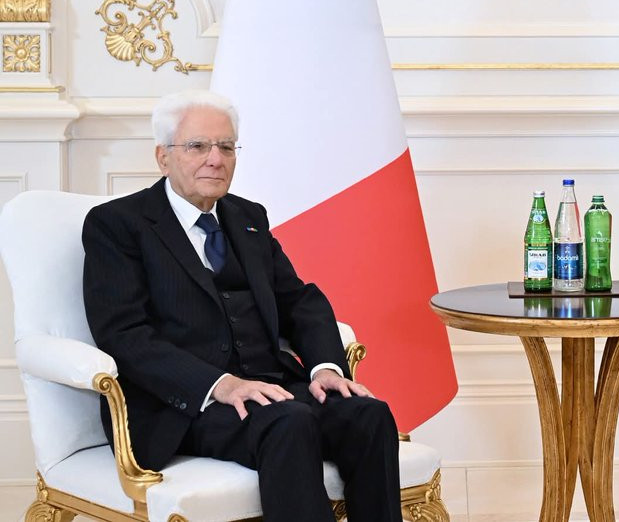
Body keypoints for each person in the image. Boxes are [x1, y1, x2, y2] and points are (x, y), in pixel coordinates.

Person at [82, 90, 400, 522]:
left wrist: (325, 369)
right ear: (163, 157)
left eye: (226, 147)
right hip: (184, 407)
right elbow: (124, 335)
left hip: (271, 388)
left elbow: (299, 301)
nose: (215, 159)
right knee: (289, 421)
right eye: (198, 146)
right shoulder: (117, 224)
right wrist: (221, 384)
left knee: (369, 415)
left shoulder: (249, 217)